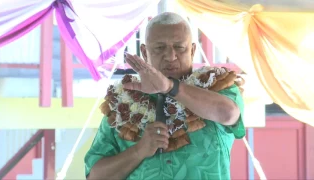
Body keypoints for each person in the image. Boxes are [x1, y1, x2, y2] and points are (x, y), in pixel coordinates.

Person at [84, 12, 245, 180]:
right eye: (160, 48)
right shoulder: (122, 104)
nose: (170, 56)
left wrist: (170, 87)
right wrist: (139, 150)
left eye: (179, 47)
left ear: (192, 50)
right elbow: (95, 176)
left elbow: (229, 113)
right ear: (145, 52)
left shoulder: (216, 85)